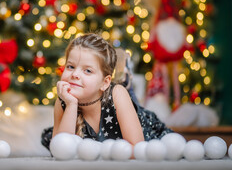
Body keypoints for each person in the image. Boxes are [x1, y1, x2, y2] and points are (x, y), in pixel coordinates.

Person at [41, 33, 172, 150]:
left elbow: (137, 148)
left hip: (146, 131)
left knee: (168, 147)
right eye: (70, 66)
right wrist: (71, 105)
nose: (75, 74)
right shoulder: (64, 100)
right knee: (50, 138)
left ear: (105, 83)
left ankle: (125, 79)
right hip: (95, 137)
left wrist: (97, 151)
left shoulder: (117, 94)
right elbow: (61, 149)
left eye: (87, 70)